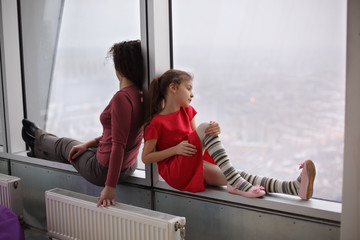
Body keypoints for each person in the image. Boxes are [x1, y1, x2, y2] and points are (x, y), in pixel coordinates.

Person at [142, 69, 316, 199]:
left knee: (238, 175)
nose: (192, 94)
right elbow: (146, 157)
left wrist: (214, 130)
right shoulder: (157, 123)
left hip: (193, 163)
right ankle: (236, 182)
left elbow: (196, 139)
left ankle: (292, 187)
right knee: (206, 129)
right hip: (176, 173)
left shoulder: (187, 112)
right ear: (173, 88)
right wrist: (176, 149)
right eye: (188, 88)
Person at [21, 40, 144, 207]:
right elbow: (122, 134)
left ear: (119, 68)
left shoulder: (122, 98)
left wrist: (109, 187)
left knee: (65, 145)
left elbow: (118, 145)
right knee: (78, 147)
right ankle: (37, 148)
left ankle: (35, 138)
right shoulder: (140, 94)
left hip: (103, 171)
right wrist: (88, 144)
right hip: (128, 165)